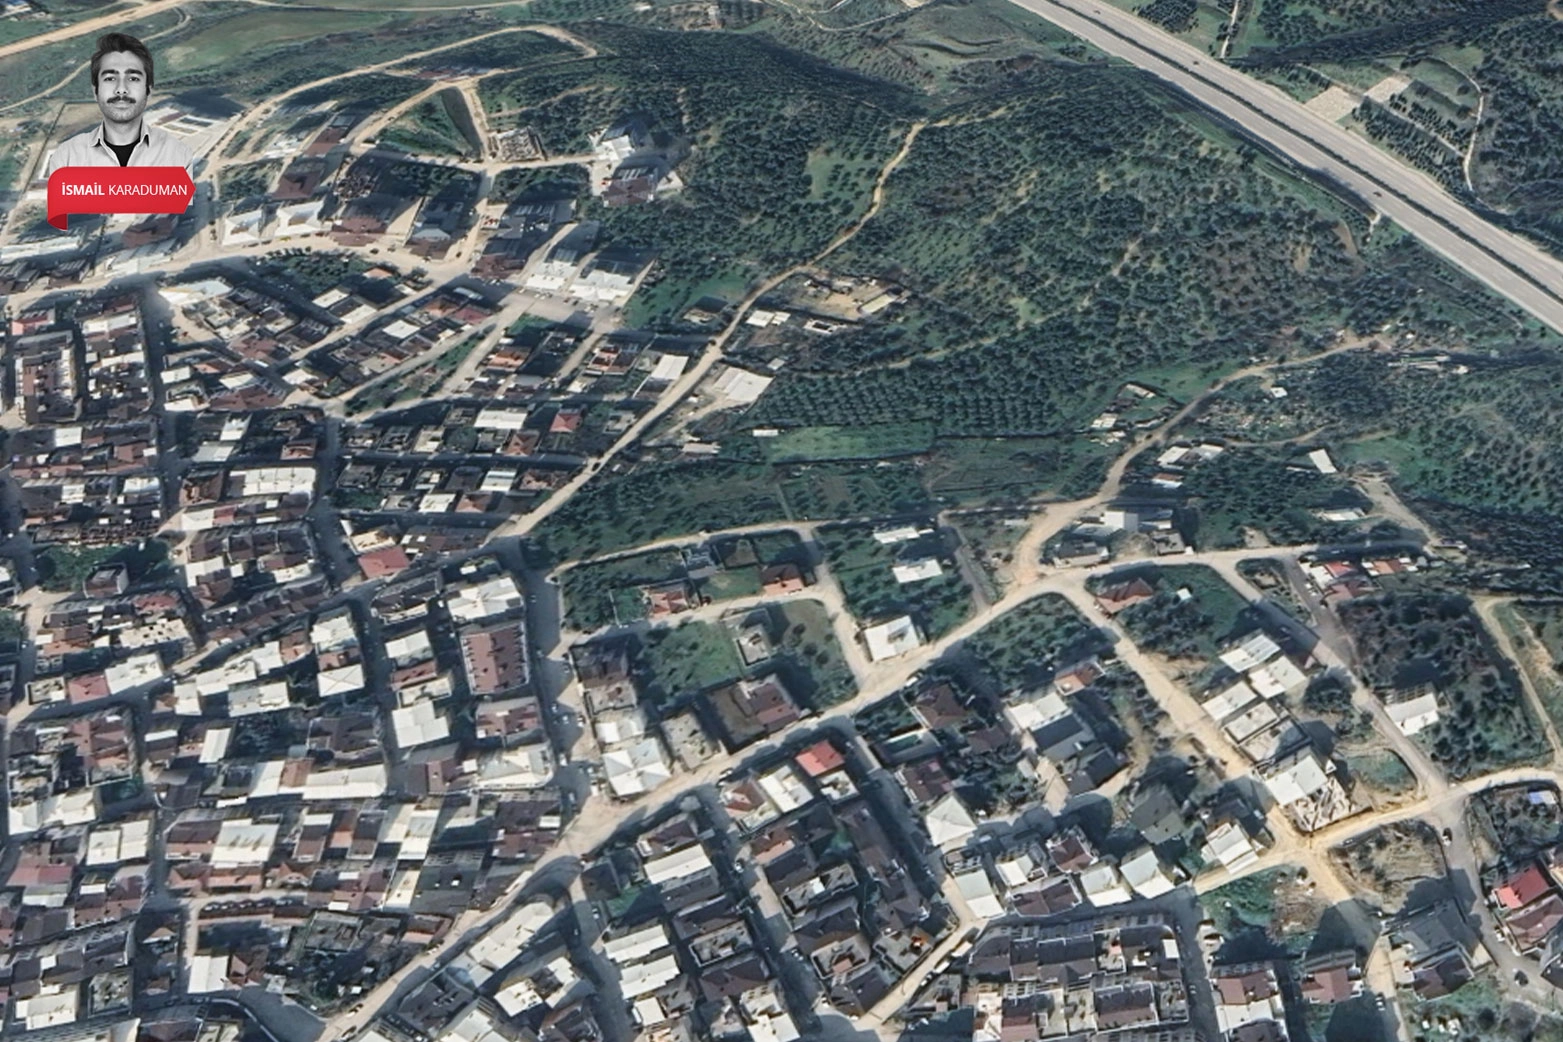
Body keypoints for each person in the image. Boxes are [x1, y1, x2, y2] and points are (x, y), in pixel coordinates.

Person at [44, 32, 194, 177]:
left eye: (133, 79)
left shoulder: (177, 156)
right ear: (96, 91)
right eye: (110, 79)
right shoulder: (67, 158)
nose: (121, 89)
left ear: (148, 90)